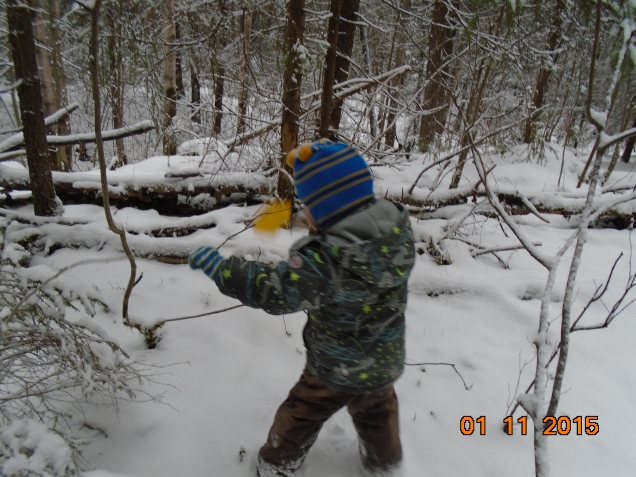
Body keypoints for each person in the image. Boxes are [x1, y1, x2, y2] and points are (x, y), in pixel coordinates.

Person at [189, 140, 415, 477]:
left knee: (303, 412)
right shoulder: (397, 234)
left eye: (307, 203)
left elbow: (273, 291)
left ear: (328, 209)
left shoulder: (323, 262)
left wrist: (225, 270)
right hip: (384, 362)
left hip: (332, 367)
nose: (303, 211)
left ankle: (277, 464)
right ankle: (385, 464)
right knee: (378, 414)